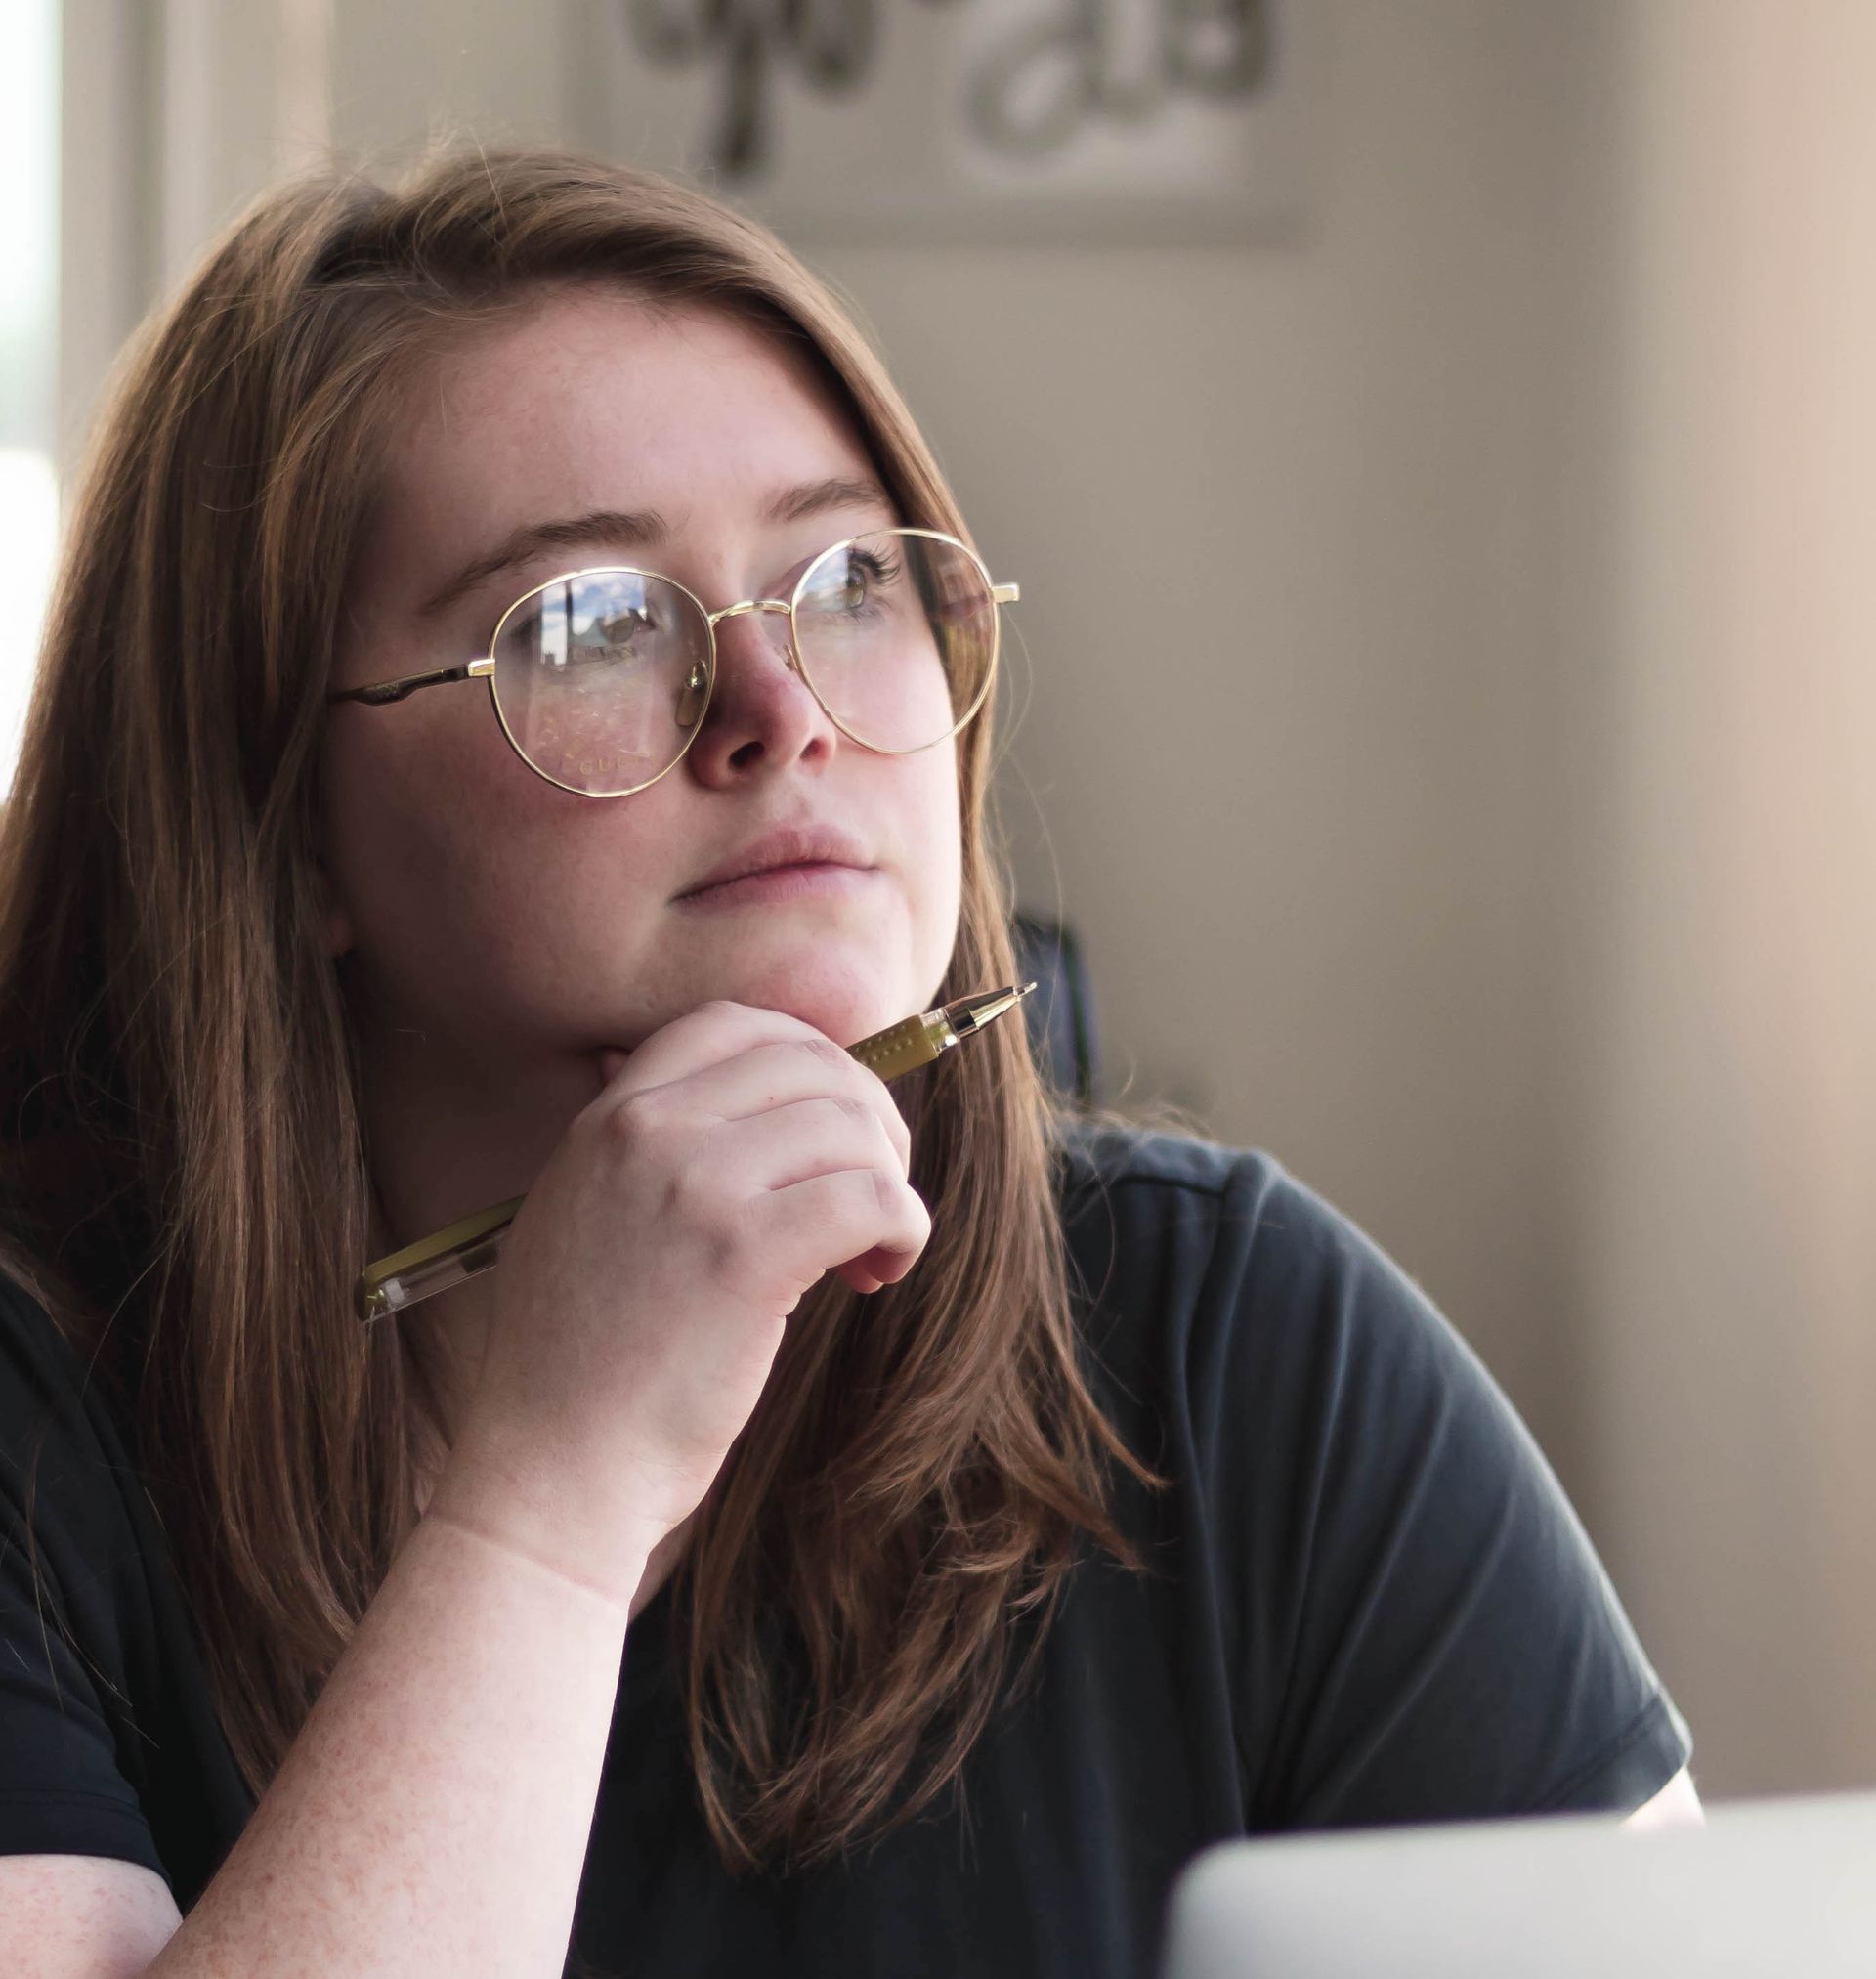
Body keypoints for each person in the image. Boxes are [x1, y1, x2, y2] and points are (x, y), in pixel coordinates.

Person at [0, 144, 1696, 1979]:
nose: (783, 712)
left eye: (849, 580)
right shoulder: (39, 1425)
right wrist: (550, 1500)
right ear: (283, 821)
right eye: (586, 620)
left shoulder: (1221, 1339)